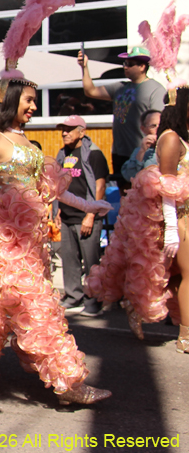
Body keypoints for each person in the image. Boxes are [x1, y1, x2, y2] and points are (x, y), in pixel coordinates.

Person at [0, 78, 113, 404]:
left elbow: (54, 190)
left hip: (31, 244)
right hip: (4, 246)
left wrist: (90, 206)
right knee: (38, 312)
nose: (33, 107)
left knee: (1, 314)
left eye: (33, 101)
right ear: (10, 100)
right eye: (28, 100)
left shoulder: (28, 142)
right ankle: (69, 384)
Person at [87, 89, 188, 349]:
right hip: (176, 217)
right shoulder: (171, 138)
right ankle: (185, 336)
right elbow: (166, 186)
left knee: (176, 275)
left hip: (182, 215)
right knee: (179, 273)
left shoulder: (181, 138)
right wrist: (173, 229)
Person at [79, 46, 165, 176]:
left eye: (130, 64)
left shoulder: (156, 89)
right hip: (119, 152)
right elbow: (90, 91)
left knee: (141, 191)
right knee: (123, 193)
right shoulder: (119, 87)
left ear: (142, 67)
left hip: (141, 152)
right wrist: (84, 67)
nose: (125, 67)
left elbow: (158, 122)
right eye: (125, 63)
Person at [54, 115, 109, 317]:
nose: (64, 133)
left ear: (81, 132)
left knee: (91, 262)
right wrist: (58, 210)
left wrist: (90, 214)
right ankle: (72, 297)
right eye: (63, 129)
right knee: (70, 261)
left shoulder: (93, 154)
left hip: (86, 216)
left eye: (69, 129)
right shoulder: (63, 154)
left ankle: (94, 301)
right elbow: (60, 185)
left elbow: (100, 185)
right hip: (68, 215)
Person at [120, 109, 160, 182]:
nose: (158, 128)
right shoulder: (139, 151)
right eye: (153, 126)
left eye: (161, 125)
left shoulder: (175, 146)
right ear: (143, 129)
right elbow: (130, 176)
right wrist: (142, 151)